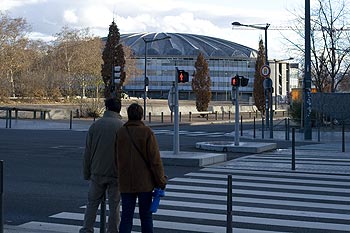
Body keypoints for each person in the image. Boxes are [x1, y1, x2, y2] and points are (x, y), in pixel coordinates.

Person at [117, 103, 167, 233]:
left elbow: (115, 157)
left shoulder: (121, 132)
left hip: (126, 181)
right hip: (145, 183)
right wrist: (161, 180)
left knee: (126, 216)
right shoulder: (147, 132)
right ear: (141, 115)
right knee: (145, 216)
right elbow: (155, 160)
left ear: (128, 115)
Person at [80, 98, 124, 233]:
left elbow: (88, 151)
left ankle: (87, 229)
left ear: (106, 108)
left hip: (97, 171)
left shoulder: (95, 126)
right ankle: (112, 230)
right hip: (115, 173)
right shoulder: (122, 127)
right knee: (114, 205)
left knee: (92, 203)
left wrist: (87, 172)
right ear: (119, 109)